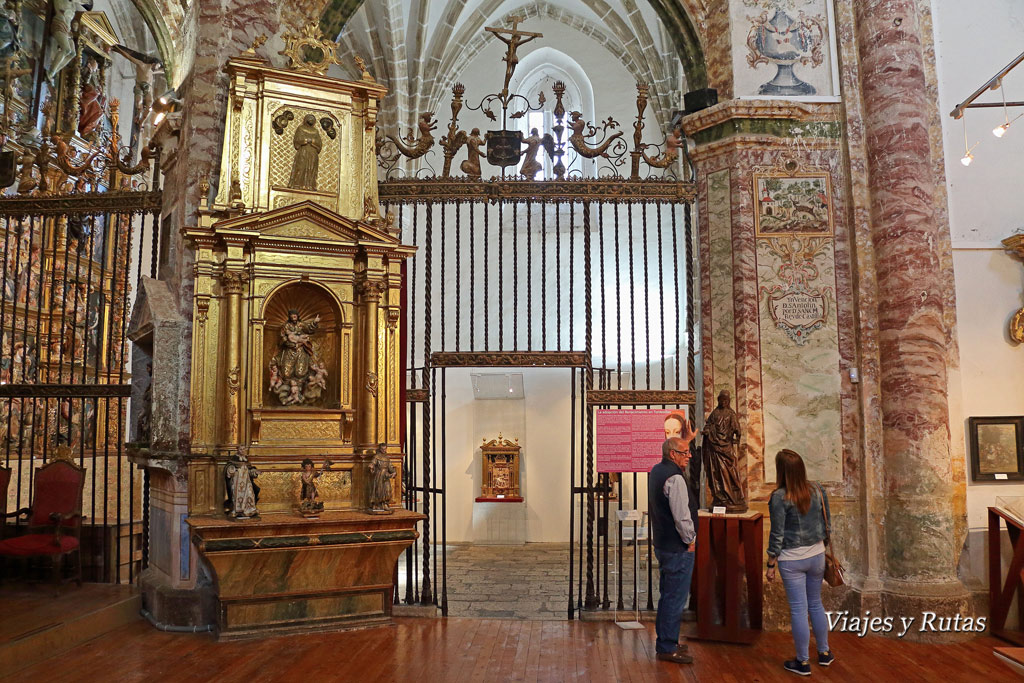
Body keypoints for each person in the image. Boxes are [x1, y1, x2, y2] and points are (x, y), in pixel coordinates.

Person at [765, 449, 834, 676]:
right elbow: (827, 522)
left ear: (781, 470)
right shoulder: (817, 489)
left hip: (792, 559)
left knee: (798, 609)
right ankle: (824, 653)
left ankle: (803, 662)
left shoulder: (779, 497)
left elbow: (777, 533)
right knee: (816, 604)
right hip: (817, 555)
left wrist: (771, 563)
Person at [648, 427, 698, 665]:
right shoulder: (675, 478)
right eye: (684, 452)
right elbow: (681, 516)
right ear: (672, 454)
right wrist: (690, 540)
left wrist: (685, 441)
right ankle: (667, 646)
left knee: (667, 595)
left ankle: (666, 640)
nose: (689, 456)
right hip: (677, 548)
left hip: (663, 544)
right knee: (675, 598)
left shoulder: (658, 470)